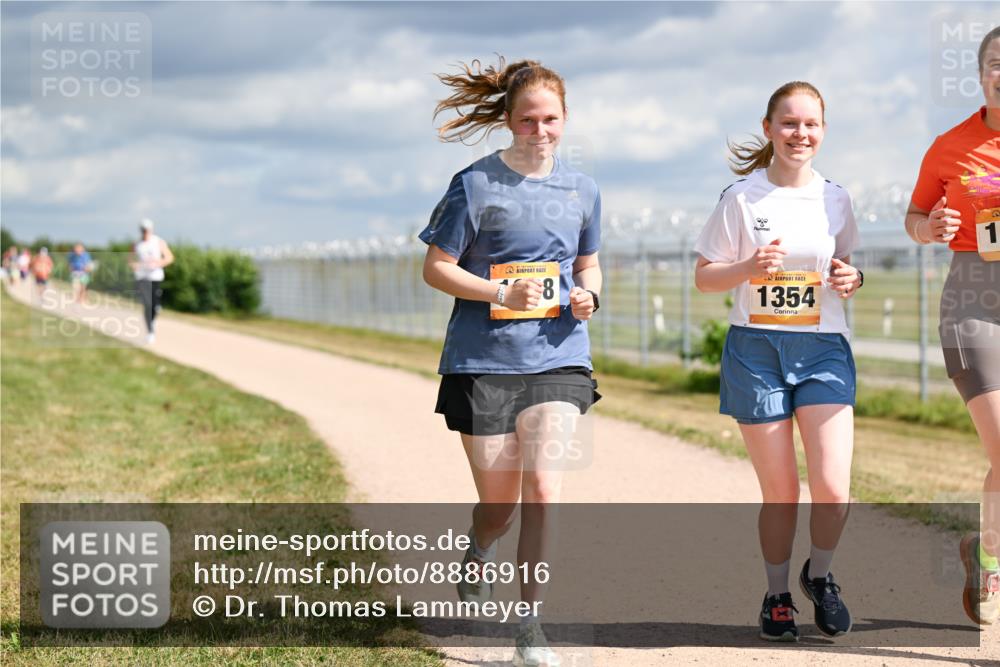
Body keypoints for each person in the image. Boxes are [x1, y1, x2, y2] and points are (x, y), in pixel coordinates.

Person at [420, 56, 601, 667]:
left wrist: (589, 295)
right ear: (508, 120)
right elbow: (436, 267)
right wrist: (500, 292)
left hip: (559, 357)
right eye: (528, 120)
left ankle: (530, 627)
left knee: (545, 489)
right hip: (484, 361)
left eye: (551, 119)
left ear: (565, 118)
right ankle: (479, 546)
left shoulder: (583, 189)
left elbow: (588, 263)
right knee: (498, 506)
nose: (540, 131)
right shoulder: (474, 184)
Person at [693, 81, 862, 642]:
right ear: (768, 129)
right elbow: (703, 277)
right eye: (788, 123)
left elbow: (848, 267)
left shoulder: (836, 197)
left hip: (823, 348)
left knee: (834, 489)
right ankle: (776, 593)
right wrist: (746, 267)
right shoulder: (741, 197)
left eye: (810, 124)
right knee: (783, 491)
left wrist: (851, 278)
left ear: (824, 131)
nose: (800, 134)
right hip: (756, 350)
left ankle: (821, 575)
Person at [905, 26, 1000, 625]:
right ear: (981, 72)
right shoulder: (951, 146)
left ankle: (985, 555)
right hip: (975, 302)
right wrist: (929, 228)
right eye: (997, 63)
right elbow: (915, 215)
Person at [130, 218, 174, 344]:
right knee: (147, 305)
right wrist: (135, 265)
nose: (145, 232)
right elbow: (130, 259)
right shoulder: (136, 244)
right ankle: (150, 332)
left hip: (155, 276)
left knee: (155, 306)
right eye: (143, 230)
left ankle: (152, 318)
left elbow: (169, 257)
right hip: (142, 277)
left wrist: (158, 263)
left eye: (147, 230)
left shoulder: (159, 242)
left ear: (151, 229)